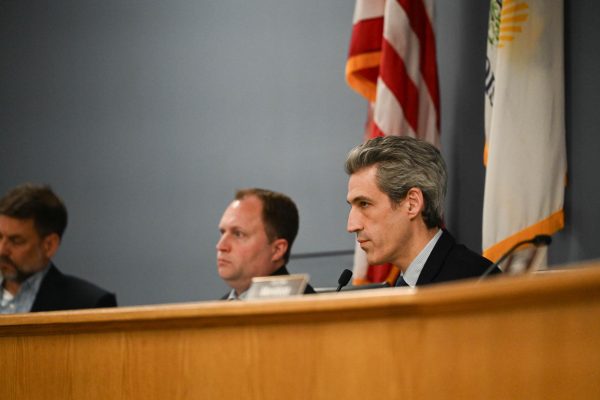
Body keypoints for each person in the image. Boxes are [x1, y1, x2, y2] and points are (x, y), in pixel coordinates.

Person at [345, 136, 500, 287]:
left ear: (412, 204)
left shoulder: (476, 284)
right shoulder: (403, 285)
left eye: (364, 204)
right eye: (352, 206)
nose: (351, 226)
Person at [0, 183, 117, 313]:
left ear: (49, 245)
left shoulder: (88, 304)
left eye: (16, 241)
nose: (2, 250)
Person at [216, 188, 315, 300]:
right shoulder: (218, 308)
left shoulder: (304, 308)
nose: (221, 246)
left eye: (239, 234)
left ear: (277, 249)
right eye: (222, 232)